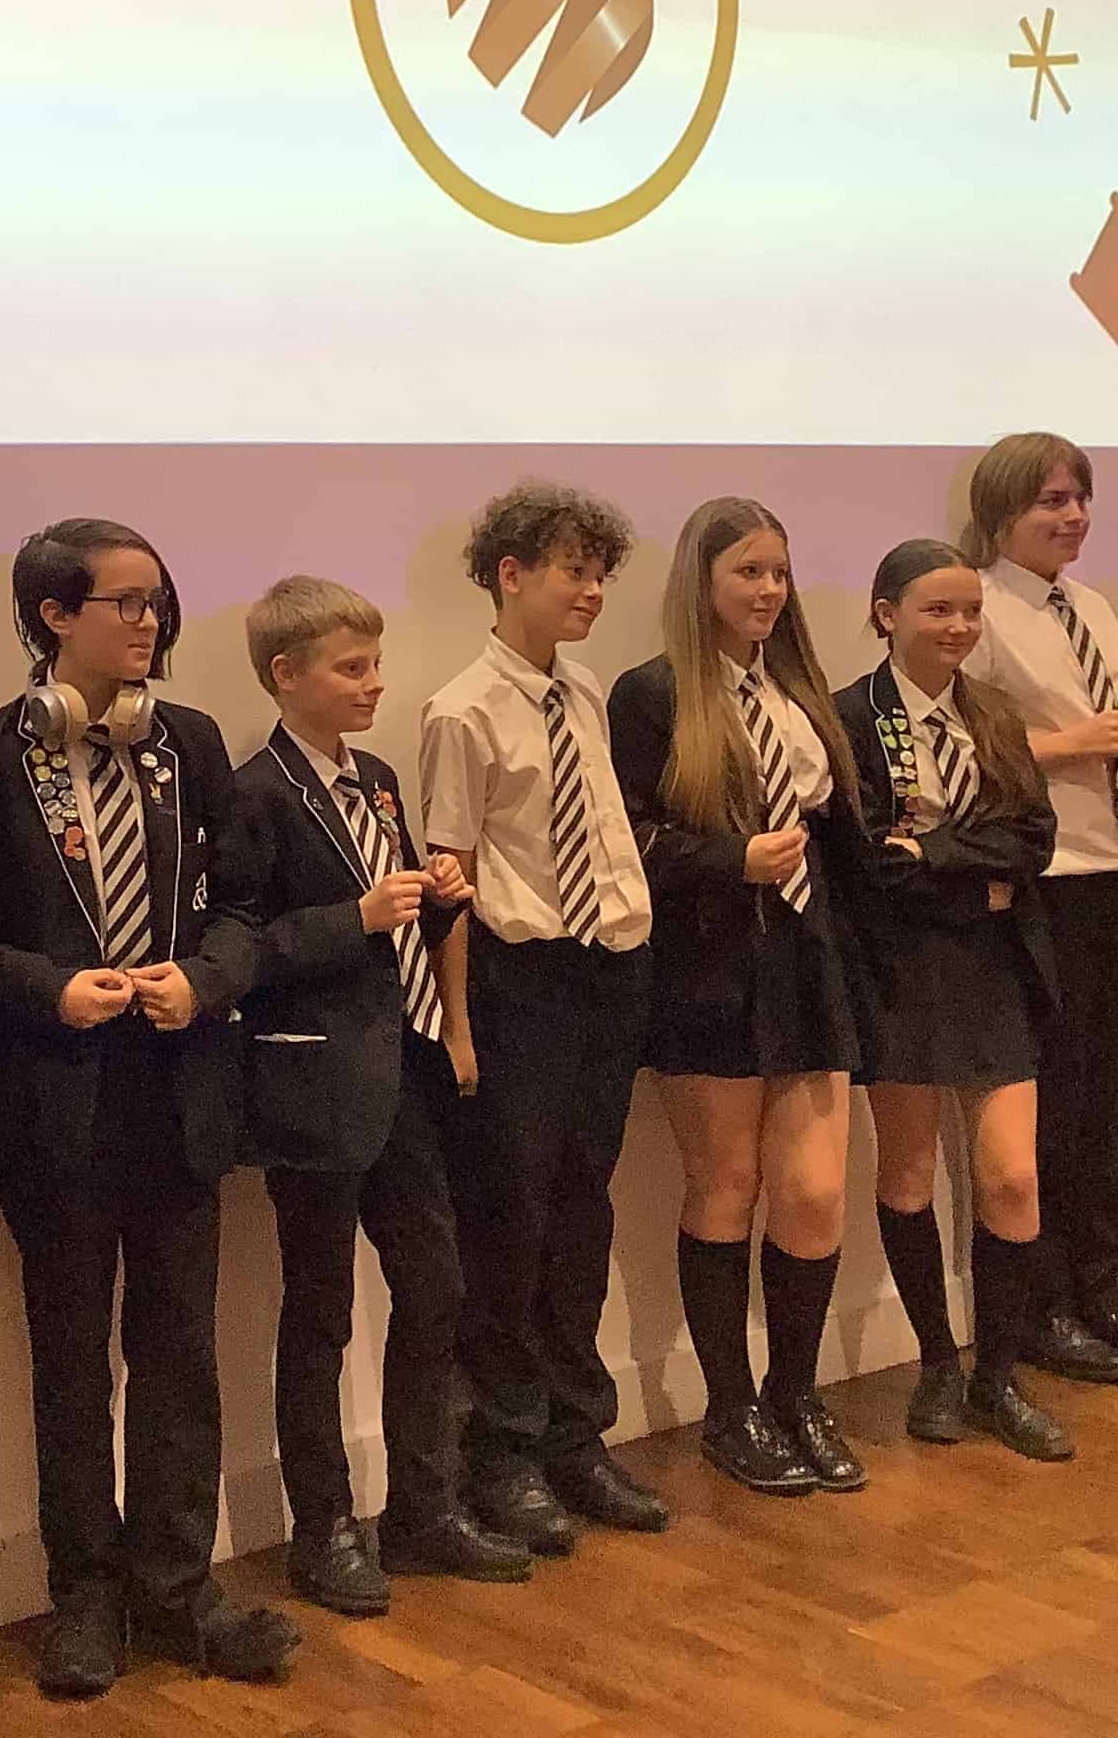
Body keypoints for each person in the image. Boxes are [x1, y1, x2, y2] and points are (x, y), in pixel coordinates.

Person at [0, 520, 292, 1699]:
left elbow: (245, 906)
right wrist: (48, 989)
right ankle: (83, 1597)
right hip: (59, 1099)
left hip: (182, 1089)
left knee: (182, 1355)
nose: (149, 625)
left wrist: (208, 977)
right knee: (71, 1361)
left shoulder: (188, 741)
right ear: (54, 616)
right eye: (126, 604)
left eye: (157, 604)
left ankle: (177, 1590)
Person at [214, 576, 528, 1617]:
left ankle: (424, 1506)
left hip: (403, 1071)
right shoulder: (255, 792)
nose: (372, 686)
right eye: (350, 669)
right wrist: (356, 915)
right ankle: (323, 1526)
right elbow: (240, 947)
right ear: (284, 676)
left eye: (376, 666)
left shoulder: (381, 780)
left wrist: (438, 909)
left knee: (435, 1285)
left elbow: (407, 921)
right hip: (312, 1084)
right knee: (320, 1311)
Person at [421, 481, 670, 1557]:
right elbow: (454, 879)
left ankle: (577, 1435)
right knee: (509, 1224)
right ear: (510, 573)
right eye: (573, 568)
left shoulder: (587, 696)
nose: (593, 590)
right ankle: (504, 1450)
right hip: (519, 989)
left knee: (582, 1213)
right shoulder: (459, 711)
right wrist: (462, 1028)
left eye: (601, 571)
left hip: (604, 974)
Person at [610, 499, 874, 1498]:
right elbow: (624, 839)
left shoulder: (801, 691)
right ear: (701, 583)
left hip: (807, 965)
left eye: (779, 572)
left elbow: (842, 840)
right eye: (747, 574)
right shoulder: (652, 695)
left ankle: (798, 1394)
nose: (767, 592)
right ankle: (731, 1410)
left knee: (812, 1194)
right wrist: (732, 860)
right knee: (725, 1187)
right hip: (706, 973)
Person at [958, 434, 1118, 1390]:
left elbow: (1103, 727)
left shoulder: (1092, 606)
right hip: (1049, 878)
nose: (1072, 517)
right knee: (1056, 1102)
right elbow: (966, 743)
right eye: (1051, 500)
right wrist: (1070, 742)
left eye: (1081, 498)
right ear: (1003, 511)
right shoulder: (982, 607)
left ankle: (1104, 1290)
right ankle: (1042, 1303)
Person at [838, 541, 1070, 1461]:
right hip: (899, 970)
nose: (960, 627)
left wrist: (934, 855)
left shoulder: (996, 714)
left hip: (995, 967)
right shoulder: (851, 718)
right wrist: (971, 871)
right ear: (887, 613)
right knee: (907, 1173)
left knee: (1011, 1174)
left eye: (970, 611)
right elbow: (868, 866)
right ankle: (938, 1364)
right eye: (939, 610)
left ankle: (999, 1375)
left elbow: (1034, 841)